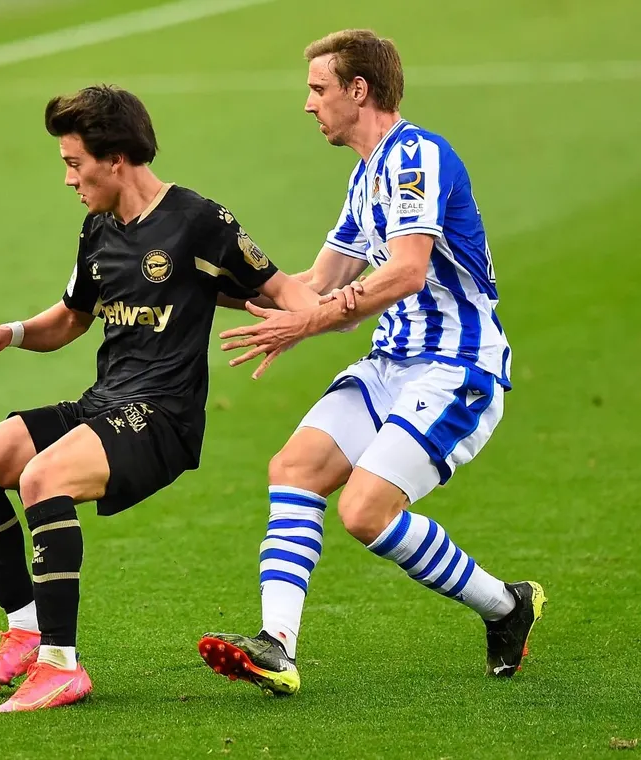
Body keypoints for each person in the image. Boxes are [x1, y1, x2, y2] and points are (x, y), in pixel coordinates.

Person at [0, 85, 315, 712]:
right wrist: (10, 334)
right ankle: (26, 633)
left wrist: (305, 322)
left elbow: (286, 290)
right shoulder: (99, 229)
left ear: (115, 159)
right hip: (104, 403)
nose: (69, 179)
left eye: (74, 163)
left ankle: (60, 666)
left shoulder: (199, 221)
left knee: (42, 478)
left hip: (163, 418)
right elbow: (71, 318)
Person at [199, 29, 545, 696]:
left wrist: (310, 320)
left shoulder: (416, 157)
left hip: (456, 367)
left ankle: (507, 606)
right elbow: (317, 285)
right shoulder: (366, 178)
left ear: (358, 90)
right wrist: (209, 290)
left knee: (363, 511)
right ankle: (276, 646)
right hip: (392, 363)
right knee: (294, 468)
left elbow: (407, 271)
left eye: (318, 89)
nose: (309, 104)